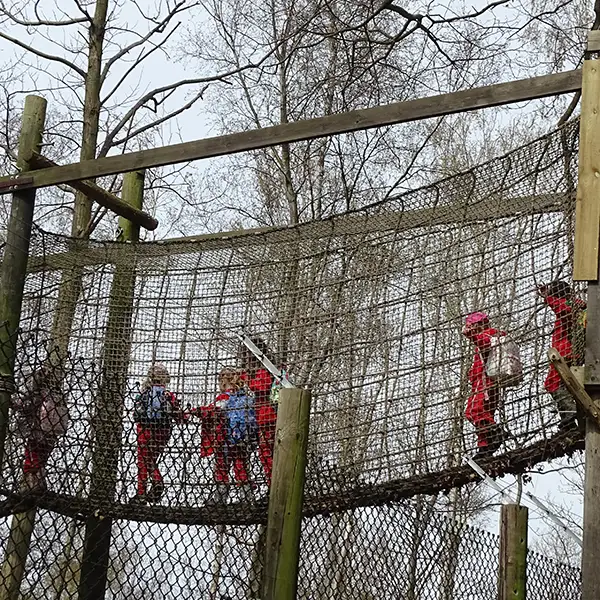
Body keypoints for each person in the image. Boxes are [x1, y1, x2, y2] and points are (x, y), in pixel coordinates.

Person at [194, 367, 256, 504]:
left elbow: (215, 410)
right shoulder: (245, 398)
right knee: (241, 466)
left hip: (224, 439)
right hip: (241, 439)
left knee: (221, 467)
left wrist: (197, 411)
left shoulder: (224, 397)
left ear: (223, 382)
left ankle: (220, 498)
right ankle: (246, 496)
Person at [131, 363, 185, 504]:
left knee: (143, 461)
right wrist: (183, 417)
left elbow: (136, 412)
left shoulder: (144, 393)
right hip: (162, 431)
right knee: (151, 459)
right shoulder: (168, 395)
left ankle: (142, 492)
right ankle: (156, 482)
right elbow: (179, 415)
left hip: (144, 430)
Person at [538, 280, 586, 432]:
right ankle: (569, 420)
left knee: (552, 384)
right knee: (566, 384)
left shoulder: (571, 305)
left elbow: (562, 309)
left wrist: (548, 298)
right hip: (570, 352)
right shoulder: (577, 305)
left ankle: (570, 414)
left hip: (565, 354)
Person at [13, 362, 69, 492]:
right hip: (50, 434)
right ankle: (36, 483)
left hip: (37, 432)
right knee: (40, 458)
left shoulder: (40, 395)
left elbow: (24, 406)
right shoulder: (57, 394)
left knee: (33, 458)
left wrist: (16, 404)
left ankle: (34, 484)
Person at [462, 312, 506, 457]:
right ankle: (485, 447)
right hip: (491, 382)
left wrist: (471, 336)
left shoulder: (489, 334)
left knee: (473, 411)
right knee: (486, 414)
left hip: (484, 382)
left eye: (472, 325)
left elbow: (484, 343)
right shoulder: (495, 335)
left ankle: (496, 432)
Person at [238, 338, 276, 486]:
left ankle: (273, 482)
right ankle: (269, 482)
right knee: (263, 453)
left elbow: (261, 387)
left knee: (267, 451)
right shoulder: (258, 371)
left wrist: (246, 377)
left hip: (269, 416)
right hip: (259, 418)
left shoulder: (265, 370)